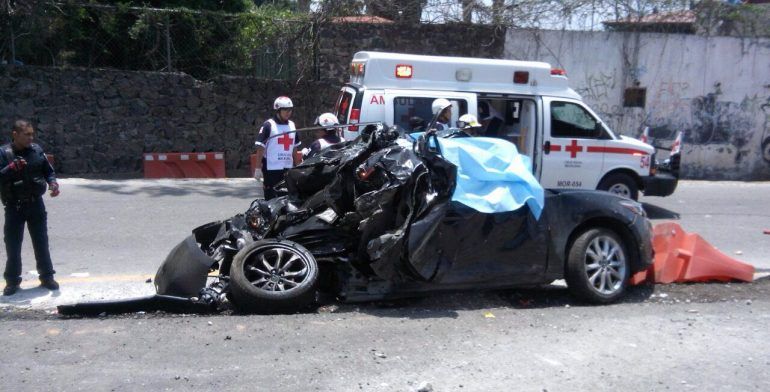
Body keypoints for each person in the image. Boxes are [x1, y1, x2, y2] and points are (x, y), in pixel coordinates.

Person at [1, 120, 60, 296]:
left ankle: (47, 277)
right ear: (15, 134)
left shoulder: (36, 150)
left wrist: (53, 183)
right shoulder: (4, 153)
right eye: (26, 134)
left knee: (41, 242)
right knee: (13, 245)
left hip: (36, 204)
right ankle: (12, 281)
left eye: (32, 134)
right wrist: (11, 168)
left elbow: (48, 171)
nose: (30, 138)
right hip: (14, 206)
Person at [254, 96, 300, 200]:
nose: (288, 112)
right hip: (271, 168)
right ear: (278, 110)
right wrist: (257, 168)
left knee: (286, 197)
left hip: (287, 167)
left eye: (290, 110)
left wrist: (297, 166)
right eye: (285, 110)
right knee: (271, 197)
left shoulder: (292, 125)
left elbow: (294, 147)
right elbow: (261, 147)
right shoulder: (268, 125)